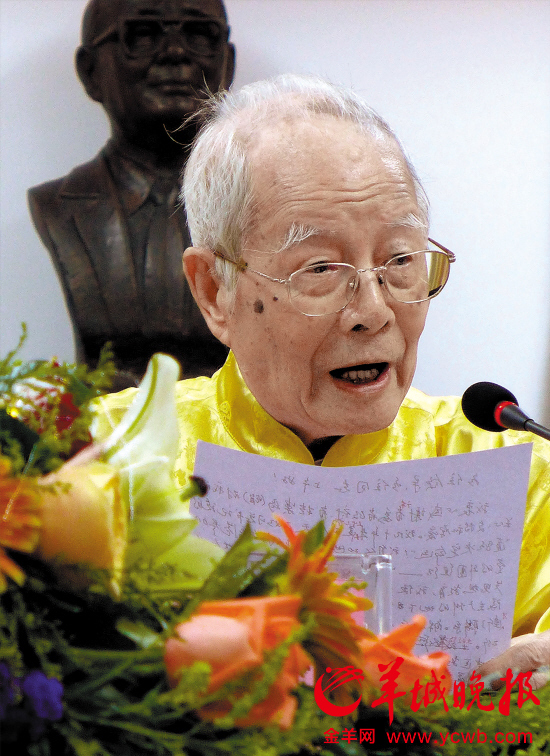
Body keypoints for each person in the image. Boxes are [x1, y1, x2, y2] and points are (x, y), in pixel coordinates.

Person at [93, 74, 550, 687]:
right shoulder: (105, 458)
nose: (374, 311)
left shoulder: (514, 473)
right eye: (321, 268)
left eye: (400, 260)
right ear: (214, 291)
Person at [28, 0, 234, 385]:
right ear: (90, 71)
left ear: (228, 65)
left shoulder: (262, 209)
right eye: (142, 35)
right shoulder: (58, 207)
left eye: (198, 34)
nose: (175, 52)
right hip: (102, 422)